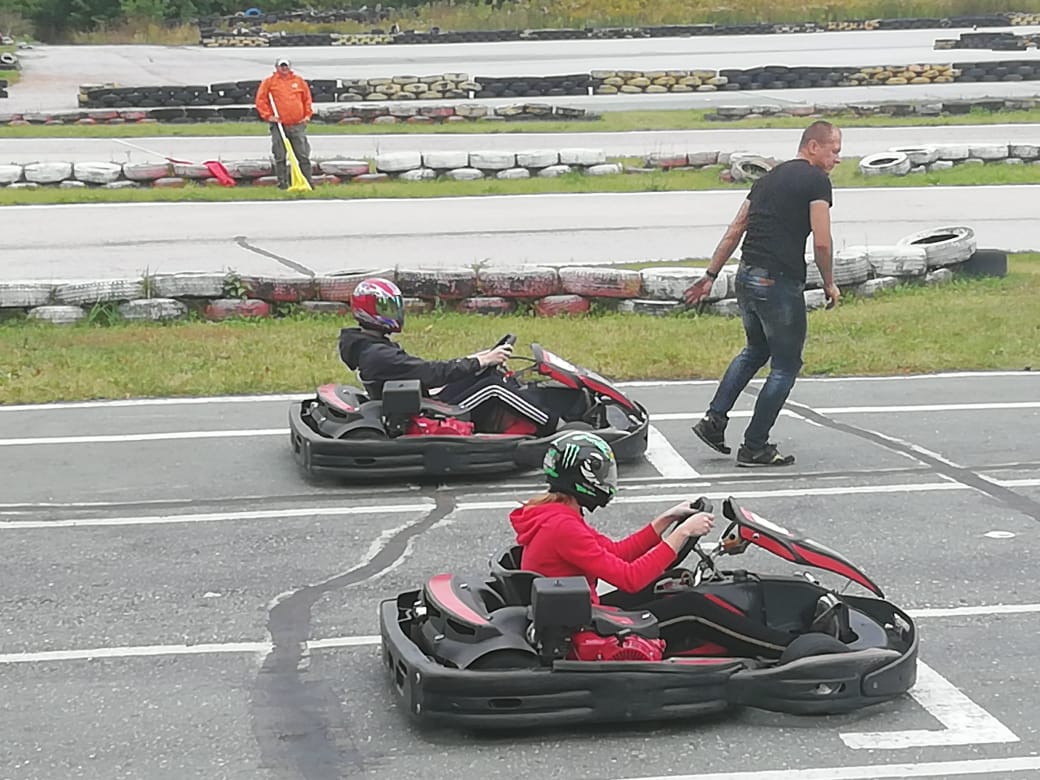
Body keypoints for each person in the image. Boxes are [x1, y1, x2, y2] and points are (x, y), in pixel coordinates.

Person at [509, 431, 798, 657]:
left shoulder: (554, 514)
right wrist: (681, 533)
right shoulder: (563, 527)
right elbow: (630, 578)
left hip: (577, 612)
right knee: (692, 606)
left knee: (669, 582)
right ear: (583, 476)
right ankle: (787, 649)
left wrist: (666, 519)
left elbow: (617, 553)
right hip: (581, 628)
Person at [683, 120, 844, 468]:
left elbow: (736, 229)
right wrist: (829, 282)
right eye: (834, 151)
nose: (837, 159)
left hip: (746, 275)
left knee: (756, 350)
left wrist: (710, 275)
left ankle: (714, 420)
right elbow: (822, 241)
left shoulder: (767, 179)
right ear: (813, 146)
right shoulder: (817, 181)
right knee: (786, 366)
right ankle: (755, 446)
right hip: (778, 281)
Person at [338, 277, 557, 434]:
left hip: (421, 400)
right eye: (386, 308)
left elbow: (421, 369)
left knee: (487, 375)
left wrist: (479, 359)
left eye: (394, 307)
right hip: (425, 412)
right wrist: (480, 360)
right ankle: (554, 426)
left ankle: (522, 419)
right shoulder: (377, 354)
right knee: (493, 387)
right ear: (367, 311)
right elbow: (432, 373)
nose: (395, 313)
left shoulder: (371, 345)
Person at [255, 57, 314, 190]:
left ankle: (308, 182)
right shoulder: (269, 82)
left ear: (290, 67)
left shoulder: (299, 81)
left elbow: (307, 99)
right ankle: (282, 183)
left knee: (303, 155)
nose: (284, 68)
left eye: (286, 66)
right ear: (277, 68)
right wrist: (268, 116)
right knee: (280, 156)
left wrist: (307, 116)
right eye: (281, 66)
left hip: (297, 124)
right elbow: (261, 100)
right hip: (279, 125)